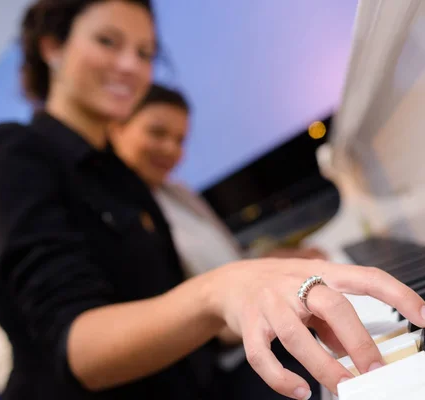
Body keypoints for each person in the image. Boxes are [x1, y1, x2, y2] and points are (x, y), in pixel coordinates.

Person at [0, 1, 425, 400]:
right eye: (108, 41)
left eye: (144, 53)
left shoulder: (123, 179)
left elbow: (183, 320)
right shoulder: (11, 153)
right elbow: (76, 349)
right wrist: (220, 287)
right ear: (52, 47)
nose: (130, 66)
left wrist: (275, 297)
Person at [108, 83, 330, 398]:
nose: (171, 149)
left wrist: (283, 258)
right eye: (157, 133)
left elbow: (231, 261)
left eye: (180, 140)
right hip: (227, 361)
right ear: (116, 128)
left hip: (259, 331)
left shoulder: (180, 194)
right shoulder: (124, 218)